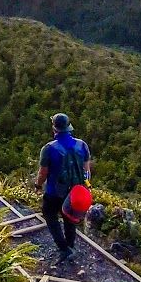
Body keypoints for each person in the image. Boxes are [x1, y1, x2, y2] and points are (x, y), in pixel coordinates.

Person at [35, 112, 91, 263]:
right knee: (69, 218)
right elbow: (86, 171)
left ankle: (63, 248)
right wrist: (85, 188)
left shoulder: (48, 148)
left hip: (54, 192)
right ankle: (70, 245)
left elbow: (43, 172)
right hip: (75, 191)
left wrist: (38, 185)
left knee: (49, 215)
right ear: (68, 128)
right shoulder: (82, 145)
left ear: (54, 129)